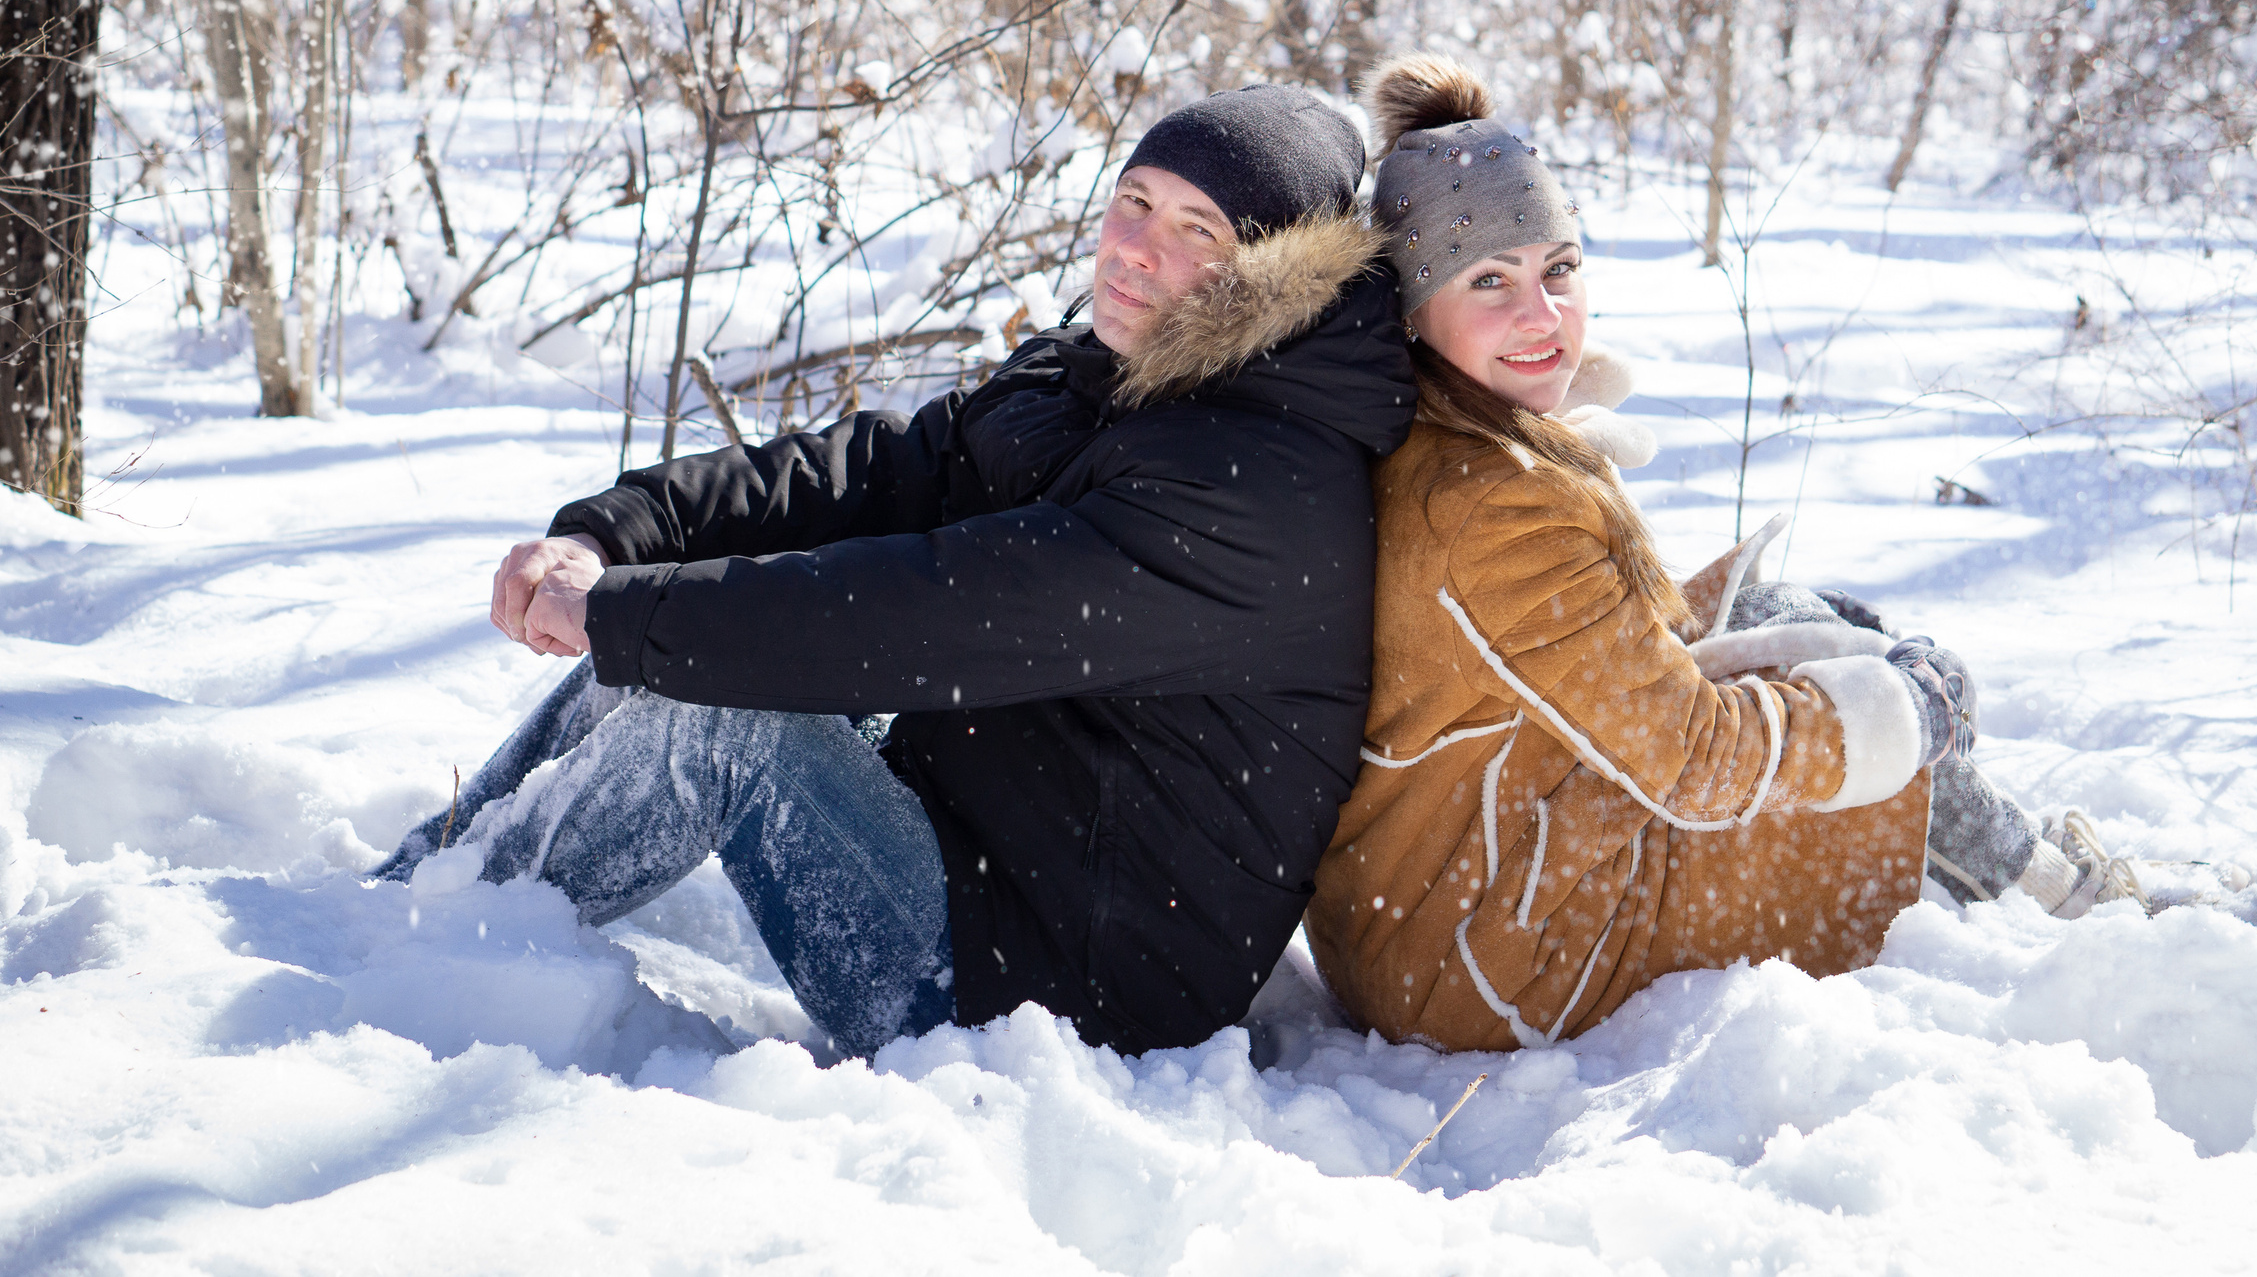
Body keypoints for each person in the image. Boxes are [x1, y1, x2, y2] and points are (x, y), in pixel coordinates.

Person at [375, 85, 1416, 1060]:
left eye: (1199, 231)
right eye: (1134, 201)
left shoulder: (1257, 491)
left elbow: (925, 613)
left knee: (719, 699)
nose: (1135, 249)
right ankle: (416, 886)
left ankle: (432, 940)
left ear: (1275, 281)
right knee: (669, 639)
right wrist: (615, 534)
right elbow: (876, 472)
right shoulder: (1100, 375)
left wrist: (622, 617)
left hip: (1052, 999)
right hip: (982, 838)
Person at [1305, 56, 2130, 1054]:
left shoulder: (1445, 435)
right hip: (1501, 958)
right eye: (1488, 282)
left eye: (1557, 270)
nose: (1541, 316)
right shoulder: (1492, 502)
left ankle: (2005, 860)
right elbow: (1693, 761)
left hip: (1428, 892)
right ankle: (2061, 899)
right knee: (1871, 727)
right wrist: (1903, 715)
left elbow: (1573, 656)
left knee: (1810, 623)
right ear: (1411, 312)